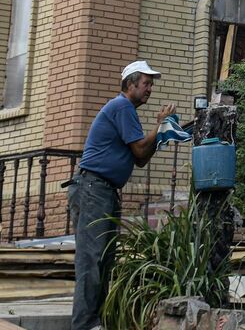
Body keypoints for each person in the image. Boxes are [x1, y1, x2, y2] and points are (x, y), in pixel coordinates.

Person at [72, 59, 175, 330]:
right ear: (130, 85)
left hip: (103, 191)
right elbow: (141, 150)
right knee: (92, 260)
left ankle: (95, 322)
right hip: (94, 189)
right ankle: (84, 325)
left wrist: (160, 132)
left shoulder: (126, 110)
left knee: (103, 260)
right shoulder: (122, 106)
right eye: (146, 83)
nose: (150, 89)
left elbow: (140, 158)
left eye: (151, 84)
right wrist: (160, 126)